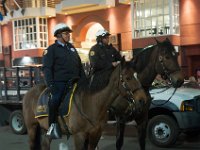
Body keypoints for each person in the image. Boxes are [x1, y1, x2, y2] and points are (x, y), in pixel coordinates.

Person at [42, 23, 86, 139]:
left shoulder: (71, 47)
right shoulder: (51, 50)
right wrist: (51, 84)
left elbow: (79, 65)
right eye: (66, 33)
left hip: (75, 81)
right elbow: (47, 68)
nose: (68, 35)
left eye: (68, 33)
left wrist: (84, 80)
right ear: (58, 35)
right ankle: (52, 127)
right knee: (55, 100)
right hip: (60, 83)